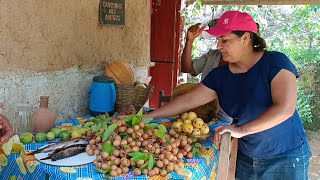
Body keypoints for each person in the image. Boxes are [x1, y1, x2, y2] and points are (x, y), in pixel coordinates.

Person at [144, 10, 311, 179]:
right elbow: (187, 101)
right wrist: (149, 116)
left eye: (224, 40)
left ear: (245, 38)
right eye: (218, 40)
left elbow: (285, 108)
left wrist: (241, 130)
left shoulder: (276, 62)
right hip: (248, 157)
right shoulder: (220, 76)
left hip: (284, 156)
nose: (218, 46)